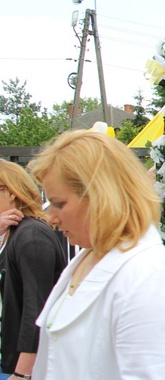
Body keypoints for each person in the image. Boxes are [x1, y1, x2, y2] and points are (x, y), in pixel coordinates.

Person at [27, 130, 165, 378]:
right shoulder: (90, 255)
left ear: (100, 196)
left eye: (59, 204)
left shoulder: (147, 274)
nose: (51, 218)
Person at [0, 160, 66, 378]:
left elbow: (36, 307)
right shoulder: (13, 233)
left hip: (20, 368)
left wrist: (22, 373)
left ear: (10, 192)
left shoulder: (31, 236)